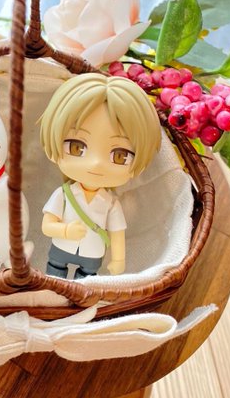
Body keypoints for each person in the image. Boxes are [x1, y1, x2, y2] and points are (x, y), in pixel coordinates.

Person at [39, 73, 161, 278]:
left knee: (86, 283)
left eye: (120, 156)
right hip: (62, 246)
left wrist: (118, 259)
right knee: (54, 274)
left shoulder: (110, 203)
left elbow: (117, 233)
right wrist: (65, 231)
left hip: (92, 254)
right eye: (77, 147)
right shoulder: (64, 194)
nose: (96, 163)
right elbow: (47, 226)